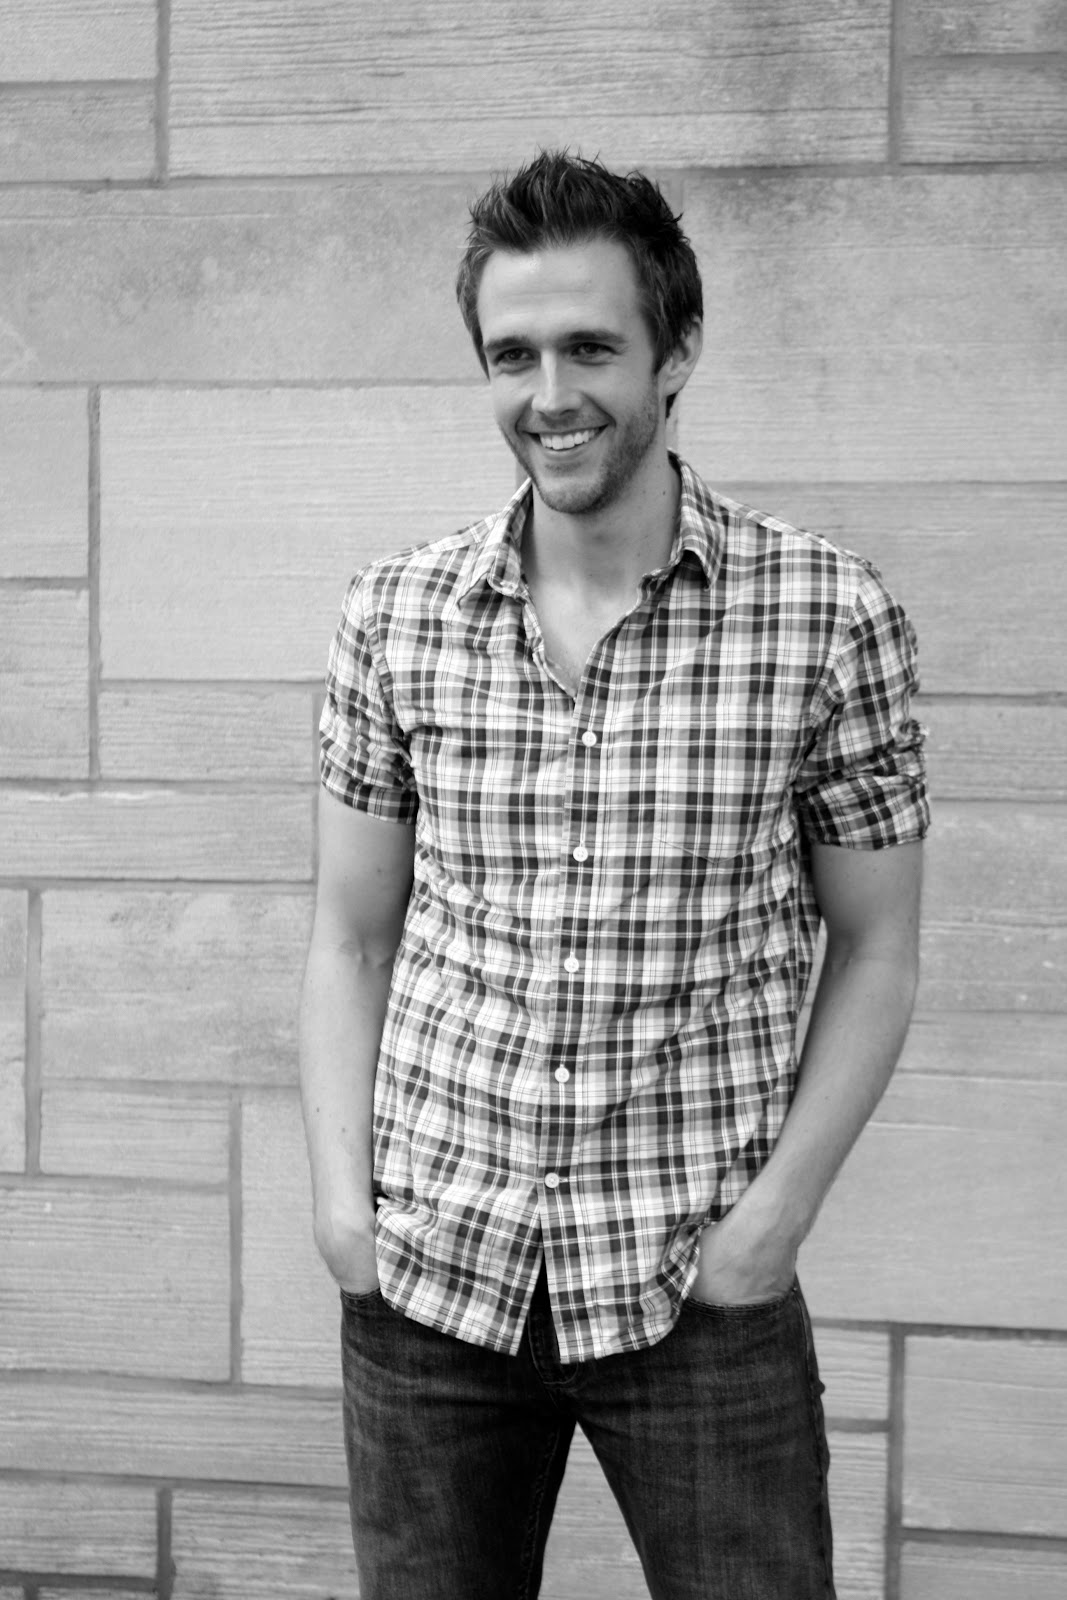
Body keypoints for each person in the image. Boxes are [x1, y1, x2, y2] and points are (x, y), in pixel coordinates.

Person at [300, 149, 928, 1600]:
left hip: (693, 1285)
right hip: (433, 1277)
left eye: (590, 347)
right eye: (512, 355)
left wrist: (768, 1229)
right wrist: (346, 1213)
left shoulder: (827, 619)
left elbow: (879, 949)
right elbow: (350, 938)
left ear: (676, 350)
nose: (550, 393)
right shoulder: (396, 616)